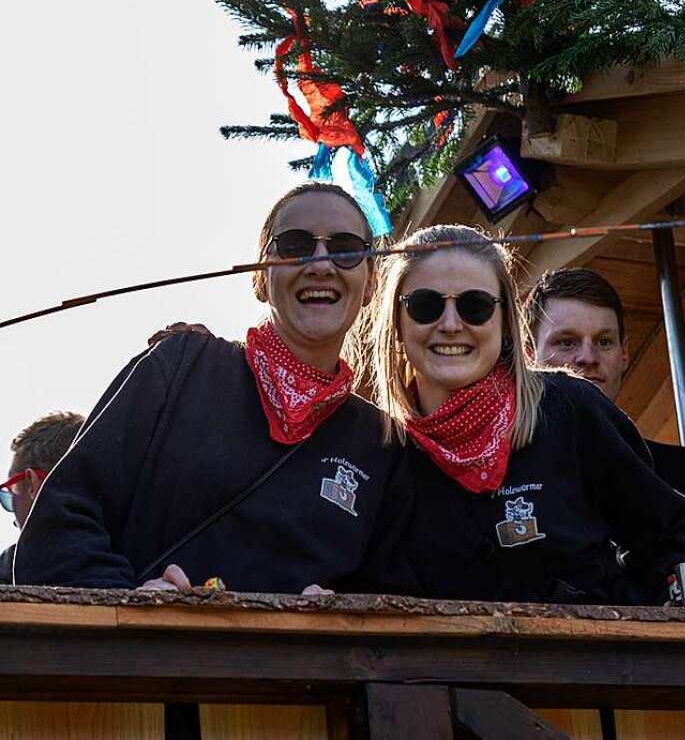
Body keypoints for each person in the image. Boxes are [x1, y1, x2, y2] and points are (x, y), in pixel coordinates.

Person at [15, 183, 399, 594]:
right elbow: (58, 522)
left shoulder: (381, 442)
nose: (321, 264)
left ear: (372, 283)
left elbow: (397, 588)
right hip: (149, 655)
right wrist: (126, 598)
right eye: (294, 245)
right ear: (260, 278)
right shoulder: (180, 367)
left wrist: (346, 614)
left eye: (344, 248)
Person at [368, 224, 685, 605]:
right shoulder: (378, 450)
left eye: (475, 306)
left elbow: (667, 541)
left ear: (506, 324)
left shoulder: (570, 408)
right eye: (426, 305)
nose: (451, 324)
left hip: (586, 662)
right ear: (396, 322)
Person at [524, 268, 685, 570]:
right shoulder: (507, 474)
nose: (588, 357)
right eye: (566, 342)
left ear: (624, 353)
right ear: (528, 355)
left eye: (604, 342)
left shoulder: (681, 471)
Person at [0, 412, 84, 583]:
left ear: (32, 483)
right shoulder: (138, 559)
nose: (15, 522)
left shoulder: (12, 568)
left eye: (12, 489)